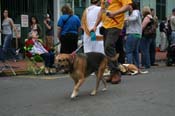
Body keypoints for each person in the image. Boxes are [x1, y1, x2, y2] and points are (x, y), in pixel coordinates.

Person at [93, 0, 132, 84]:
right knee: (107, 50)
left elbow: (128, 6)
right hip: (105, 26)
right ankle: (112, 72)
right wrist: (95, 25)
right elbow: (102, 11)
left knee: (109, 46)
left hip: (115, 24)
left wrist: (114, 13)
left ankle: (116, 72)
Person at [125, 2, 142, 68]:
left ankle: (130, 67)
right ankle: (136, 66)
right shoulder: (136, 12)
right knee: (135, 51)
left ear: (131, 6)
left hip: (132, 34)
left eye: (129, 6)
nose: (128, 8)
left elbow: (134, 18)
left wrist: (126, 19)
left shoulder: (135, 12)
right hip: (137, 34)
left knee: (129, 51)